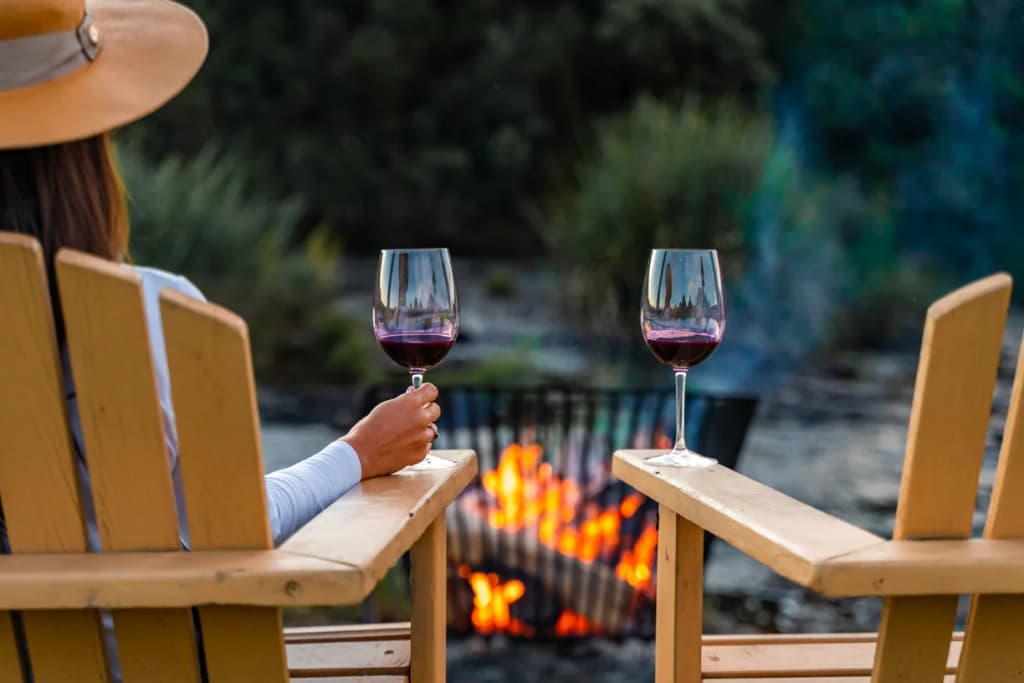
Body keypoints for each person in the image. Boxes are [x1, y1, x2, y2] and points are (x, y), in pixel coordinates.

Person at [0, 0, 441, 550]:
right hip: (149, 613)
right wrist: (359, 452)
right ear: (86, 167)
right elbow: (231, 524)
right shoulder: (152, 313)